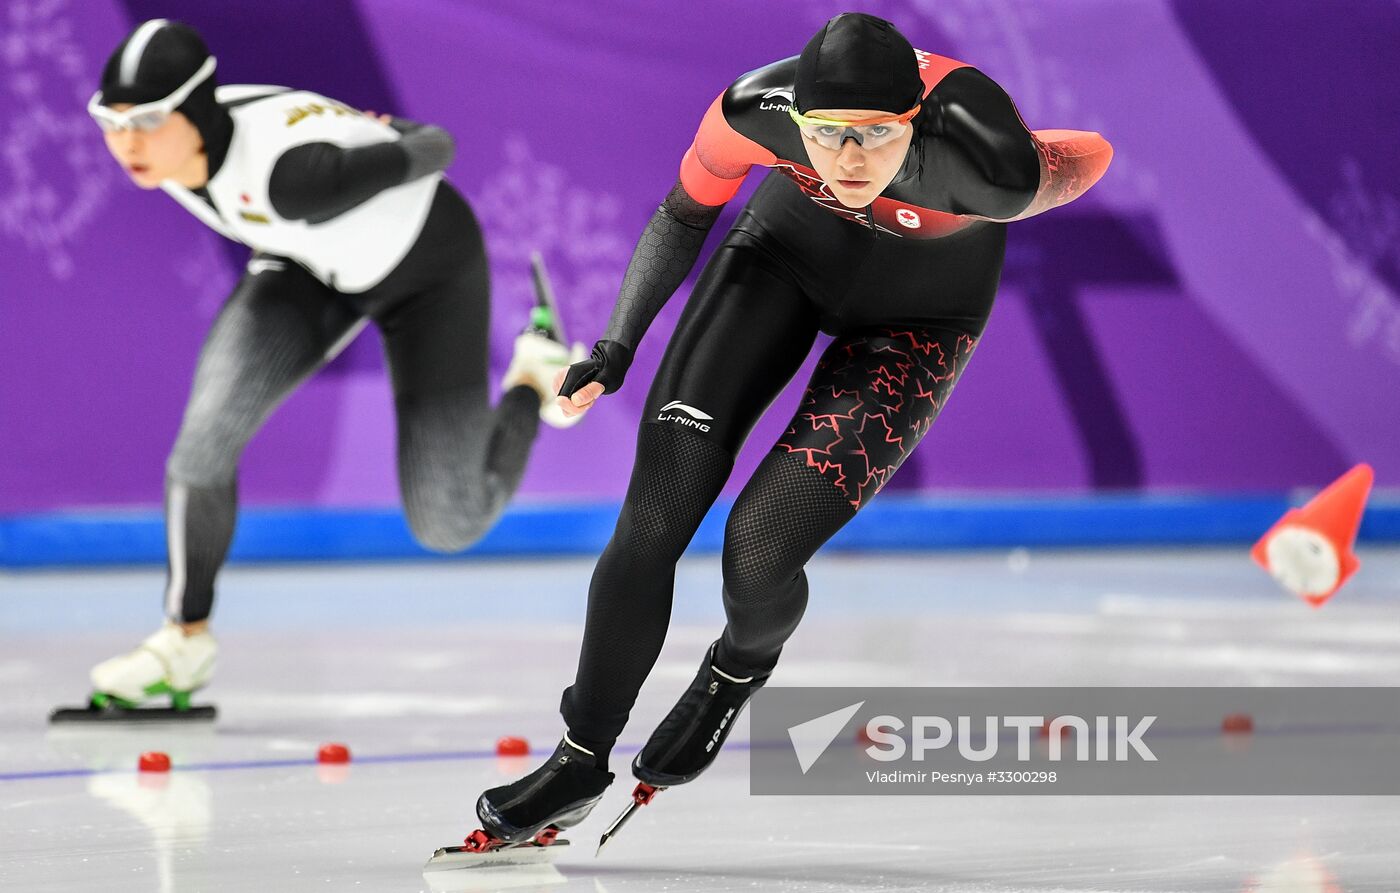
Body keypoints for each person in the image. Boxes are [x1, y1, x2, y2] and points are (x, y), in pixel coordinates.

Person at [467, 12, 1113, 846]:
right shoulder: (750, 110)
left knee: (757, 550)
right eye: (828, 135)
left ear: (913, 120)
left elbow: (1088, 154)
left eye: (876, 137)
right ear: (795, 118)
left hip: (919, 319)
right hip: (778, 261)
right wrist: (616, 345)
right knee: (652, 518)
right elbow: (681, 216)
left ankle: (736, 669)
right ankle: (577, 758)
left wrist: (1032, 148)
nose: (849, 161)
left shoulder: (990, 161)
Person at [74, 19, 582, 718]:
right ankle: (182, 641)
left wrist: (390, 136)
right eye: (112, 120)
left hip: (427, 274)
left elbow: (439, 146)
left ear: (194, 110)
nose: (126, 141)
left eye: (150, 119)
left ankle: (533, 372)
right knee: (202, 443)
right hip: (308, 265)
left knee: (450, 521)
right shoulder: (168, 154)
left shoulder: (293, 176)